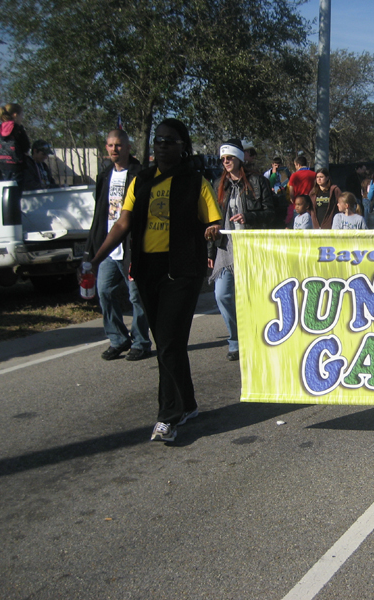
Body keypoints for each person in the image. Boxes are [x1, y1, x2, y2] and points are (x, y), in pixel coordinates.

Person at [88, 118, 223, 443]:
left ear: (182, 146)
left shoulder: (196, 182)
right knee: (169, 343)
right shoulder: (142, 180)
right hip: (148, 271)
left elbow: (214, 219)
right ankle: (188, 404)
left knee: (168, 342)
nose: (162, 145)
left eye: (169, 141)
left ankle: (168, 416)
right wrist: (96, 258)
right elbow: (123, 223)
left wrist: (212, 231)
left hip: (182, 272)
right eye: (158, 140)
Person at [86, 129, 151, 362]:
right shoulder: (104, 176)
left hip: (132, 247)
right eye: (111, 145)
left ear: (128, 147)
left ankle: (141, 342)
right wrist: (91, 248)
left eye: (119, 145)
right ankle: (118, 339)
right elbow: (99, 215)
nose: (115, 149)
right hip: (109, 247)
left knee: (136, 296)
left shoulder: (140, 174)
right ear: (106, 148)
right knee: (103, 292)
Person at [209, 139, 275, 361]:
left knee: (255, 296)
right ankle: (235, 339)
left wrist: (248, 217)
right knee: (223, 294)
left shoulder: (258, 182)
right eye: (223, 159)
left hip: (253, 248)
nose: (226, 162)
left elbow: (271, 213)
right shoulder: (221, 184)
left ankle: (258, 337)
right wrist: (211, 250)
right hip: (226, 249)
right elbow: (215, 218)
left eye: (230, 158)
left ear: (239, 158)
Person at [0, 103, 30, 184]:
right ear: (15, 115)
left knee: (7, 190)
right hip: (17, 166)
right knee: (15, 192)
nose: (22, 118)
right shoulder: (17, 129)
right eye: (21, 115)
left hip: (3, 164)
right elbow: (26, 146)